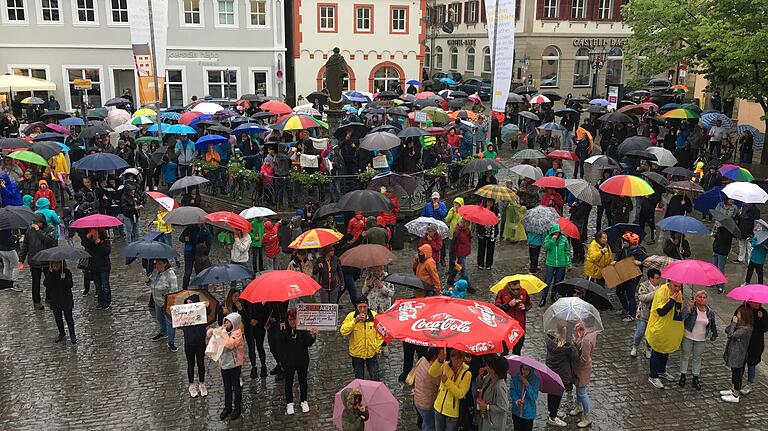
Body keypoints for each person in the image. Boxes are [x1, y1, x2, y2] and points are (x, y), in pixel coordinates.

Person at [645, 280, 685, 389]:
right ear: (669, 282)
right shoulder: (661, 292)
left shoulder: (679, 293)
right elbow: (661, 312)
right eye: (675, 286)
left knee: (666, 349)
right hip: (660, 327)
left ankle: (662, 370)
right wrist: (671, 300)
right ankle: (653, 375)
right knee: (657, 350)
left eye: (680, 286)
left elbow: (678, 310)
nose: (677, 288)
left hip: (671, 327)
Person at [280, 308, 318, 415]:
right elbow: (281, 344)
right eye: (290, 319)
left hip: (302, 360)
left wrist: (313, 335)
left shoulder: (303, 329)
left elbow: (308, 343)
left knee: (303, 381)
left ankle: (304, 401)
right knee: (289, 382)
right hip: (289, 362)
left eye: (294, 319)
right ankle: (289, 403)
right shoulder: (284, 329)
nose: (292, 322)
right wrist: (282, 332)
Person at [679, 290, 718, 391]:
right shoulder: (692, 308)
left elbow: (712, 324)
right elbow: (683, 316)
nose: (702, 299)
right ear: (696, 298)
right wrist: (688, 307)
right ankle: (683, 375)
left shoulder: (710, 312)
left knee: (697, 358)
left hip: (701, 339)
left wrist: (714, 334)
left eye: (704, 297)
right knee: (685, 356)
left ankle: (695, 377)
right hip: (688, 336)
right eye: (700, 297)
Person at [209, 312, 245, 420]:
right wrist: (212, 332)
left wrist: (223, 333)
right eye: (226, 321)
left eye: (229, 322)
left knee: (236, 386)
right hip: (224, 363)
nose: (227, 323)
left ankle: (237, 408)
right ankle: (227, 407)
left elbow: (230, 344)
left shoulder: (237, 333)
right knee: (227, 386)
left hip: (234, 364)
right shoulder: (224, 330)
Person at [19, 213, 56, 310]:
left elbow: (48, 240)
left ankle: (49, 298)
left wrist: (38, 231)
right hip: (34, 261)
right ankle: (36, 301)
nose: (36, 224)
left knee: (49, 281)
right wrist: (21, 260)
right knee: (36, 282)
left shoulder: (50, 229)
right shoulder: (29, 231)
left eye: (38, 222)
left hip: (46, 260)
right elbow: (25, 246)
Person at [339, 298, 382, 380]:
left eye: (364, 307)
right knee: (359, 379)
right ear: (356, 307)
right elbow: (343, 331)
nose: (362, 309)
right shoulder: (351, 316)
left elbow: (380, 334)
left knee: (375, 377)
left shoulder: (375, 316)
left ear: (368, 306)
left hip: (371, 353)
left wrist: (376, 347)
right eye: (360, 307)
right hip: (357, 354)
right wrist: (354, 321)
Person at [430, 348, 472, 431]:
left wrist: (447, 382)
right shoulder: (445, 366)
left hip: (452, 413)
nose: (458, 361)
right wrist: (439, 360)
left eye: (460, 358)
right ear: (451, 358)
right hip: (438, 407)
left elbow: (460, 394)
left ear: (464, 359)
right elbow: (432, 373)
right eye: (455, 358)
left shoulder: (467, 374)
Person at [720, 304, 754, 403]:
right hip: (733, 352)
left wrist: (734, 324)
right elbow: (727, 329)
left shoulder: (746, 329)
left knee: (737, 374)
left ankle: (736, 395)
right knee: (734, 372)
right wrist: (733, 323)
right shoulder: (740, 325)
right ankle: (733, 390)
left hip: (738, 354)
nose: (737, 315)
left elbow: (730, 335)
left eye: (738, 314)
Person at [545, 328, 577, 427]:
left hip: (550, 370)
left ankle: (551, 411)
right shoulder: (565, 347)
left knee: (551, 393)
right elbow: (575, 357)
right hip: (560, 373)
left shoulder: (550, 340)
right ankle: (553, 417)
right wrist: (572, 345)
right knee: (557, 395)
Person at [147, 258, 179, 351]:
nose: (156, 265)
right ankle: (163, 332)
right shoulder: (155, 272)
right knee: (160, 318)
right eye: (156, 263)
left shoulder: (170, 275)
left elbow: (174, 291)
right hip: (157, 301)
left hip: (167, 303)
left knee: (170, 322)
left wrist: (170, 303)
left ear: (165, 264)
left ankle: (171, 342)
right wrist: (148, 281)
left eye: (159, 263)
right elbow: (151, 285)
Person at [615, 232, 647, 321]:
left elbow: (647, 261)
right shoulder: (624, 249)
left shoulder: (640, 251)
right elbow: (618, 255)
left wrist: (640, 262)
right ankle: (626, 308)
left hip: (633, 277)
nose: (623, 243)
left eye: (624, 242)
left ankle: (632, 314)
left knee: (630, 295)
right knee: (619, 292)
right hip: (623, 273)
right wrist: (615, 260)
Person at [495, 279, 532, 355]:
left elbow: (529, 304)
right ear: (509, 287)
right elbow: (496, 309)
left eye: (518, 289)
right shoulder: (502, 293)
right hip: (506, 327)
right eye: (513, 289)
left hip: (520, 327)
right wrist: (508, 305)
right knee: (504, 352)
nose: (516, 291)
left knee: (517, 352)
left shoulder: (524, 292)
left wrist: (524, 307)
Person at [631, 269, 662, 359]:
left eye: (659, 278)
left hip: (654, 315)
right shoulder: (643, 286)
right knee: (640, 332)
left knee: (651, 334)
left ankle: (647, 349)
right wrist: (655, 293)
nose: (659, 280)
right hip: (643, 314)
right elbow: (642, 297)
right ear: (651, 278)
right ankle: (635, 346)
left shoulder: (661, 287)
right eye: (657, 278)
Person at [181, 294, 208, 398]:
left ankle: (202, 383)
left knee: (201, 363)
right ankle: (191, 385)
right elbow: (175, 319)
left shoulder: (202, 312)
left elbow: (211, 313)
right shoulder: (184, 314)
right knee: (190, 364)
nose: (189, 305)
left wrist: (207, 306)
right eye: (187, 303)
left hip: (200, 342)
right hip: (189, 342)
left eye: (191, 303)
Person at [540, 223, 571, 307]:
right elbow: (547, 248)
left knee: (558, 281)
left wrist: (568, 263)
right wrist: (552, 240)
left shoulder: (564, 239)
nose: (556, 234)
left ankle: (553, 295)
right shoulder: (548, 238)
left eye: (558, 232)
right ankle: (543, 297)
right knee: (547, 281)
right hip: (550, 263)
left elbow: (567, 251)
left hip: (561, 264)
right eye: (555, 232)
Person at [740, 301, 768, 395]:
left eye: (758, 303)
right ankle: (737, 382)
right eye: (754, 302)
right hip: (743, 340)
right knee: (741, 362)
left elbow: (765, 328)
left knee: (752, 363)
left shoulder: (762, 312)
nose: (757, 304)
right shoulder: (743, 309)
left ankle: (749, 384)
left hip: (755, 342)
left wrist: (760, 319)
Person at [475, 355, 510, 431]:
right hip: (485, 418)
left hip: (493, 423)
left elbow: (503, 407)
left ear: (493, 368)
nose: (485, 367)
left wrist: (486, 406)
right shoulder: (489, 376)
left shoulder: (500, 385)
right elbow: (481, 384)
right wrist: (480, 376)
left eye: (487, 365)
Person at [45, 261, 76, 344]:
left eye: (57, 264)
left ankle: (72, 334)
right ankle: (61, 332)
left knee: (68, 318)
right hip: (55, 299)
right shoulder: (50, 273)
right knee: (58, 318)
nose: (55, 266)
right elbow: (46, 284)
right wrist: (50, 274)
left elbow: (70, 285)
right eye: (53, 264)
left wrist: (64, 279)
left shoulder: (66, 272)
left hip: (66, 299)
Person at [81, 228, 112, 310]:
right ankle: (100, 301)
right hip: (94, 267)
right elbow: (84, 244)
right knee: (98, 286)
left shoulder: (105, 241)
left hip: (104, 266)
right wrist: (87, 238)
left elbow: (106, 252)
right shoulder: (90, 243)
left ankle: (107, 302)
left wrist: (99, 244)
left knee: (105, 286)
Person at [413, 347, 441, 431]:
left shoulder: (422, 360)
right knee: (430, 425)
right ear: (434, 357)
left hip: (418, 400)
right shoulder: (431, 370)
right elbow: (440, 383)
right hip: (426, 403)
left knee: (426, 422)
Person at [180, 222, 212, 289]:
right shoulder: (190, 228)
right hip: (189, 252)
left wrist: (205, 255)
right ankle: (184, 288)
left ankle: (201, 289)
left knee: (200, 271)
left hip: (199, 253)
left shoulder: (206, 231)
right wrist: (185, 239)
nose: (202, 224)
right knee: (188, 272)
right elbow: (181, 238)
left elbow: (208, 244)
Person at [509, 363, 539, 431]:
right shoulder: (517, 376)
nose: (524, 371)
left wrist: (527, 384)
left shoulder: (535, 380)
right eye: (523, 368)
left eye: (526, 369)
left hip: (528, 414)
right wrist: (517, 400)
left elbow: (534, 397)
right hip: (516, 412)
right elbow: (512, 390)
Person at [476, 198, 499, 270]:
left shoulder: (496, 210)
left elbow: (497, 220)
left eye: (491, 202)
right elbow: (478, 219)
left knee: (490, 249)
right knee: (481, 248)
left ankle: (489, 264)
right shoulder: (481, 209)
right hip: (482, 232)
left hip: (491, 232)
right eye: (488, 201)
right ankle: (480, 263)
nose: (489, 203)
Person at [448, 219, 471, 287]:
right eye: (468, 223)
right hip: (460, 253)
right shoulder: (457, 232)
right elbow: (453, 244)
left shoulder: (466, 230)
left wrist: (469, 233)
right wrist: (453, 256)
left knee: (458, 267)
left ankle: (450, 279)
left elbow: (468, 239)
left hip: (464, 251)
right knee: (464, 271)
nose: (469, 225)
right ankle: (468, 285)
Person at [712, 224, 733, 294]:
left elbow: (725, 240)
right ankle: (714, 282)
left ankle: (721, 286)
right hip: (716, 249)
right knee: (714, 267)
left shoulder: (728, 231)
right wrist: (715, 234)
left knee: (721, 269)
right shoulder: (719, 229)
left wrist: (718, 234)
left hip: (722, 251)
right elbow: (717, 238)